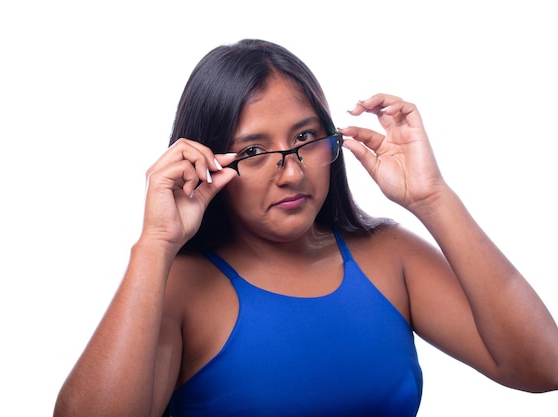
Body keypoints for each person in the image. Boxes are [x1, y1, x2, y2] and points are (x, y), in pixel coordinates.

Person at [53, 39, 558, 417]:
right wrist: (154, 245)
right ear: (208, 162)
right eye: (253, 152)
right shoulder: (181, 287)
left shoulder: (389, 256)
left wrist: (432, 198)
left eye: (306, 137)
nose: (292, 172)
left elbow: (542, 367)